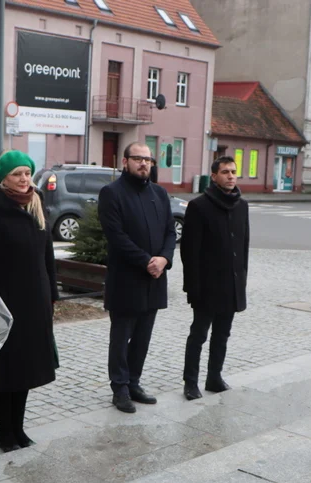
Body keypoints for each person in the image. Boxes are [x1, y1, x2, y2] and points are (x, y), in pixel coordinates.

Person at [0, 151, 57, 452]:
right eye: (17, 174)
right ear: (3, 178)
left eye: (27, 173)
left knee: (27, 370)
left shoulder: (36, 204)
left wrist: (52, 295)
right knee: (5, 370)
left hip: (35, 303)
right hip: (4, 304)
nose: (23, 179)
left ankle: (19, 429)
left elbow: (47, 254)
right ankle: (4, 433)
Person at [98, 142, 175, 413]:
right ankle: (119, 388)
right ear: (125, 161)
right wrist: (146, 261)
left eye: (148, 159)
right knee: (121, 337)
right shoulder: (112, 193)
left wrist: (164, 259)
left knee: (143, 336)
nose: (144, 164)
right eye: (138, 159)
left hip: (154, 280)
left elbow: (170, 232)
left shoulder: (160, 193)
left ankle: (134, 382)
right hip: (126, 279)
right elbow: (116, 236)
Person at [180, 156, 249, 400]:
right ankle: (190, 382)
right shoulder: (199, 206)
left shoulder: (242, 206)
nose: (231, 176)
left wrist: (241, 282)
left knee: (223, 334)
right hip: (207, 287)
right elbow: (189, 251)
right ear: (214, 176)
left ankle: (214, 377)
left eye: (234, 172)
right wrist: (193, 287)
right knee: (198, 335)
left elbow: (244, 248)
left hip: (231, 285)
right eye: (225, 172)